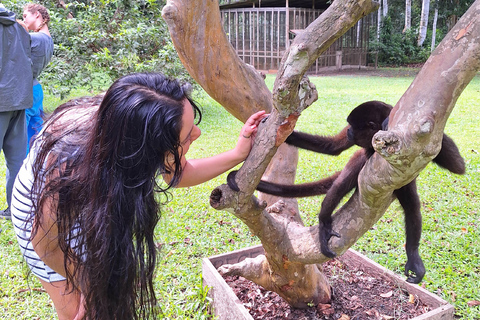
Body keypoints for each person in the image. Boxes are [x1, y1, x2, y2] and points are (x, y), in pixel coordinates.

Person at [11, 72, 267, 320]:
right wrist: (89, 286)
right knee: (79, 309)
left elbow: (177, 173)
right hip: (44, 221)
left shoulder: (139, 120)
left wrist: (237, 154)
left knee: (110, 288)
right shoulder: (67, 161)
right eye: (188, 135)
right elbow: (46, 244)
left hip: (94, 198)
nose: (197, 134)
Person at [0, 5, 33, 219]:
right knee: (17, 159)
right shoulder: (20, 28)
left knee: (18, 159)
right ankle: (16, 210)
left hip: (3, 100)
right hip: (19, 99)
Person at [21, 3, 54, 152]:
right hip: (36, 90)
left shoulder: (36, 38)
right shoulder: (49, 40)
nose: (24, 19)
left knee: (22, 138)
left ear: (37, 15)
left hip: (26, 91)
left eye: (25, 16)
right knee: (37, 136)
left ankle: (25, 171)